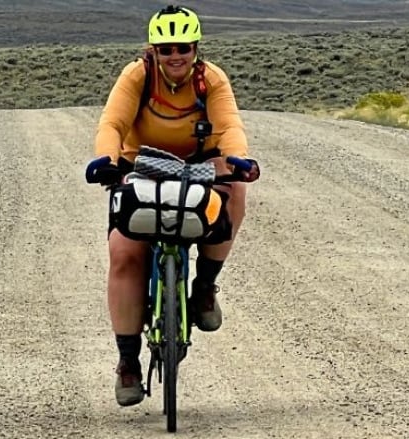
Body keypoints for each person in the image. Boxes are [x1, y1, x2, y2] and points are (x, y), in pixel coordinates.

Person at [91, 4, 260, 407]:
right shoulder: (138, 75)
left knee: (234, 190)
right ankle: (128, 361)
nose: (175, 56)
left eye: (183, 47)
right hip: (142, 163)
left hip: (200, 163)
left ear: (196, 47)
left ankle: (204, 286)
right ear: (153, 50)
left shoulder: (210, 80)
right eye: (165, 48)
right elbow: (112, 124)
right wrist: (106, 160)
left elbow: (229, 125)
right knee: (125, 253)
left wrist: (237, 157)